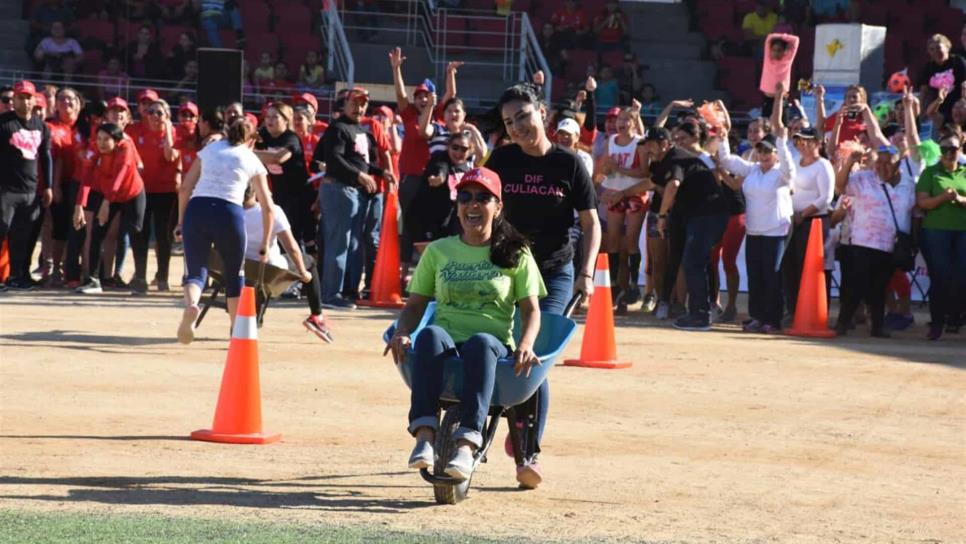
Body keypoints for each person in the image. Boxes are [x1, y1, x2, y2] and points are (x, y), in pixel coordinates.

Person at [385, 167, 545, 482]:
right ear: (457, 206)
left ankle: (467, 443)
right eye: (465, 197)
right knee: (429, 335)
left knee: (481, 343)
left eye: (483, 198)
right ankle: (424, 437)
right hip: (447, 343)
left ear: (498, 207)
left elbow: (531, 310)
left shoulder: (516, 253)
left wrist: (525, 345)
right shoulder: (439, 251)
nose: (472, 205)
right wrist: (402, 332)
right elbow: (416, 304)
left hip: (493, 347)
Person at [486, 82, 601, 489]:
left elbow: (591, 223)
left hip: (553, 273)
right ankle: (479, 431)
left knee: (534, 355)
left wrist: (586, 275)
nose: (517, 126)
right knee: (494, 347)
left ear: (543, 113)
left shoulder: (570, 164)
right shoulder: (500, 159)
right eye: (508, 121)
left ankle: (528, 452)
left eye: (523, 116)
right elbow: (477, 205)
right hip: (505, 271)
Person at [175, 117, 273, 343]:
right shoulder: (251, 158)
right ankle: (235, 329)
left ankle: (191, 305)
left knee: (196, 270)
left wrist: (181, 222)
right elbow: (267, 206)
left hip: (198, 208)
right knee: (234, 273)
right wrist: (265, 243)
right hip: (229, 211)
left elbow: (185, 188)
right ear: (251, 139)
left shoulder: (209, 150)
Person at [317, 87, 396, 309]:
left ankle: (345, 291)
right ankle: (331, 294)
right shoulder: (338, 128)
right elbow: (333, 160)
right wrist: (360, 175)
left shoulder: (358, 129)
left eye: (363, 104)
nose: (359, 107)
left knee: (351, 245)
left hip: (352, 192)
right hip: (339, 190)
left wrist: (380, 172)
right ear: (345, 104)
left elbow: (357, 160)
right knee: (338, 244)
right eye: (354, 102)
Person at [716, 110, 794, 333]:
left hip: (776, 231)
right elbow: (728, 161)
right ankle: (757, 316)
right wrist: (722, 139)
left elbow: (789, 167)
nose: (764, 155)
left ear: (776, 154)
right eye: (761, 151)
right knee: (756, 275)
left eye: (768, 152)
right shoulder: (752, 170)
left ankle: (773, 319)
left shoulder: (781, 173)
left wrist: (781, 141)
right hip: (754, 230)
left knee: (772, 276)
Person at [650, 121, 730, 331]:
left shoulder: (675, 158)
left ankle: (700, 316)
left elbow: (673, 185)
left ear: (664, 145)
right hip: (704, 214)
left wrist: (661, 215)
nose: (648, 149)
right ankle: (699, 313)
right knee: (694, 261)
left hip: (707, 214)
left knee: (693, 261)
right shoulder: (679, 157)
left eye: (651, 144)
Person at [833, 143, 916, 338]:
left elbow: (914, 213)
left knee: (879, 288)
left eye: (889, 163)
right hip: (862, 242)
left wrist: (913, 240)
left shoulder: (908, 184)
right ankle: (842, 323)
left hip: (889, 245)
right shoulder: (862, 178)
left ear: (898, 166)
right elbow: (840, 186)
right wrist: (849, 163)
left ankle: (877, 327)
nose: (882, 167)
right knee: (855, 286)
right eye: (879, 162)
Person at [389, 47, 457, 278]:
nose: (421, 99)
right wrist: (396, 69)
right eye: (418, 95)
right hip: (410, 179)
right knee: (409, 225)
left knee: (432, 226)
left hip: (432, 180)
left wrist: (450, 74)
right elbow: (400, 94)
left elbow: (451, 94)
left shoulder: (437, 116)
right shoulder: (408, 114)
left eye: (425, 95)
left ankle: (430, 275)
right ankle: (404, 273)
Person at [240, 182, 333, 343]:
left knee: (258, 277)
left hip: (242, 268)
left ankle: (251, 322)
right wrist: (303, 272)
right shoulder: (272, 211)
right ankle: (316, 316)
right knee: (309, 260)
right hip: (271, 269)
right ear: (257, 191)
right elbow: (291, 247)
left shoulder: (229, 213)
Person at [72, 123, 147, 295]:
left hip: (131, 193)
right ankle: (93, 280)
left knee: (135, 232)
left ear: (117, 140)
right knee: (97, 232)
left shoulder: (125, 148)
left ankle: (140, 279)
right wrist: (79, 206)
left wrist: (106, 203)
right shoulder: (94, 150)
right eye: (99, 138)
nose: (102, 143)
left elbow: (121, 175)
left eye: (107, 139)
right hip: (108, 193)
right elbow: (86, 178)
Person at [783, 84, 835, 321]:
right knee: (791, 267)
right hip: (794, 220)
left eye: (806, 140)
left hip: (813, 222)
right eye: (799, 140)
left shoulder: (823, 165)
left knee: (810, 267)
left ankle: (813, 313)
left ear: (817, 143)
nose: (801, 143)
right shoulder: (796, 160)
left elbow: (825, 198)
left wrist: (803, 214)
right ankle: (793, 310)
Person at [0, 81, 52, 291]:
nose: (25, 101)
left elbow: (46, 156)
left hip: (30, 192)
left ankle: (17, 276)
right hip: (5, 190)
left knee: (22, 237)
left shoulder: (41, 126)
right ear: (14, 100)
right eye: (20, 97)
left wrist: (48, 186)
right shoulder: (4, 123)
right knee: (1, 231)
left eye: (28, 97)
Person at [915, 134, 966, 340]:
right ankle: (937, 323)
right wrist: (943, 198)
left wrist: (961, 199)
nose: (948, 153)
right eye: (945, 149)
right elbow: (923, 203)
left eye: (953, 149)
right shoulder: (930, 173)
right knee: (939, 277)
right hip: (936, 231)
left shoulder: (964, 172)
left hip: (962, 231)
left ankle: (955, 317)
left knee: (961, 277)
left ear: (959, 150)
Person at [596, 107, 645, 312]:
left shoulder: (639, 143)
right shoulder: (611, 141)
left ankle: (634, 284)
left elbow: (644, 171)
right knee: (613, 241)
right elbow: (602, 172)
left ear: (634, 122)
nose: (621, 123)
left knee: (631, 241)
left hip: (634, 194)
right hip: (615, 192)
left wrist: (619, 169)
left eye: (626, 119)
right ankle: (614, 285)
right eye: (619, 119)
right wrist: (603, 181)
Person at [131, 99, 181, 294]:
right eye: (151, 112)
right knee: (140, 233)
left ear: (168, 116)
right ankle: (140, 277)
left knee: (163, 236)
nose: (154, 116)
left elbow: (170, 156)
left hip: (166, 191)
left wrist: (167, 130)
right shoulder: (137, 131)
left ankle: (162, 277)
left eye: (160, 113)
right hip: (142, 190)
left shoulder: (174, 133)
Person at [45, 87, 83, 287]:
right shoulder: (50, 126)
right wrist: (55, 186)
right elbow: (54, 158)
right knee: (59, 229)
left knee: (79, 229)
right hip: (60, 183)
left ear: (78, 103)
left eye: (71, 99)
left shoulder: (85, 126)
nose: (66, 103)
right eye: (62, 99)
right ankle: (55, 269)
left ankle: (77, 271)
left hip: (84, 185)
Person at [410, 131, 475, 244]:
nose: (459, 152)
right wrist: (439, 177)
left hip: (452, 223)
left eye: (464, 149)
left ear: (469, 151)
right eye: (455, 147)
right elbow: (441, 168)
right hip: (428, 220)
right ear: (448, 146)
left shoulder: (466, 168)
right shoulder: (439, 158)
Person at [918, 34, 966, 127]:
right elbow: (924, 91)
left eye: (938, 48)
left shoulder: (957, 61)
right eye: (932, 49)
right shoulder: (928, 68)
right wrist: (921, 112)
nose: (936, 52)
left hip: (957, 105)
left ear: (947, 47)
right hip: (939, 107)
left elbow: (965, 83)